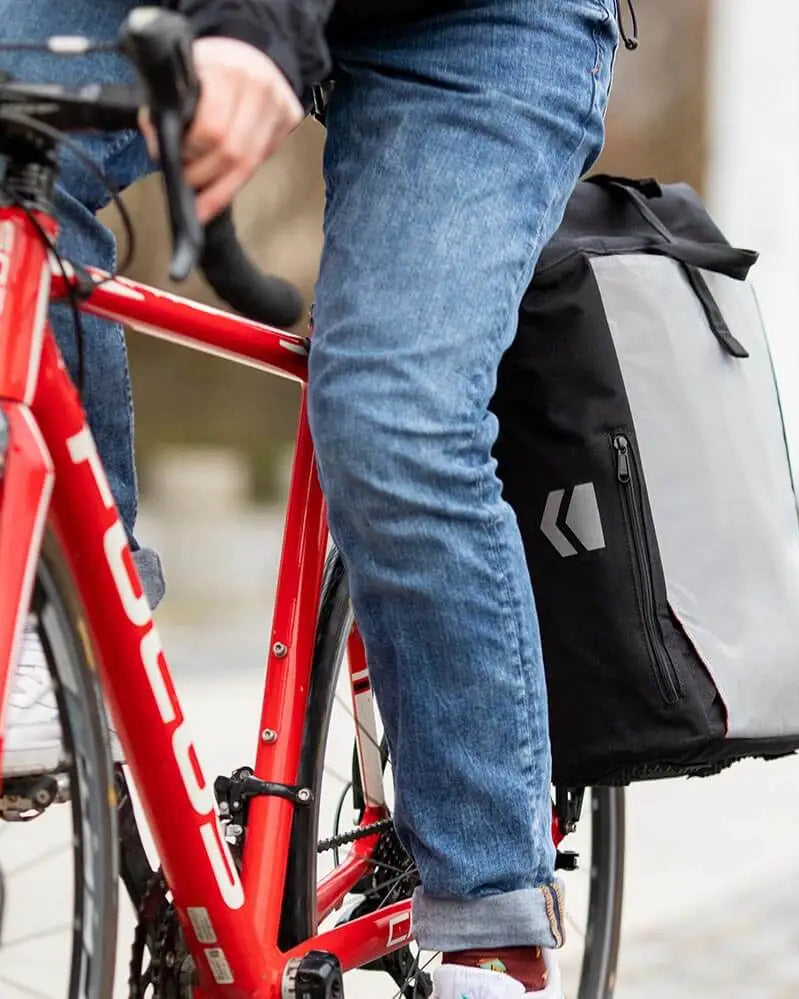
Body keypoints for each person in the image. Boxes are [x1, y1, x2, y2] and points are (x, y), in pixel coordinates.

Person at [1, 1, 619, 995]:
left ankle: (488, 913)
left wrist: (259, 27)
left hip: (477, 20)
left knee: (395, 410)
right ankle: (52, 620)